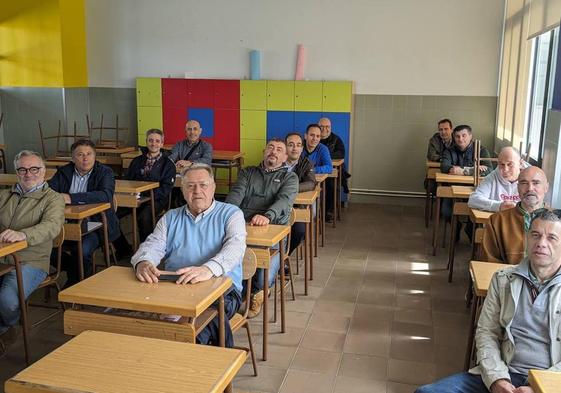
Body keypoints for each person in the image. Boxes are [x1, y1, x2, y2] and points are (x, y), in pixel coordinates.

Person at [416, 208, 561, 393]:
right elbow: (486, 333)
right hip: (503, 371)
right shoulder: (503, 280)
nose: (541, 243)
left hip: (549, 381)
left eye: (552, 238)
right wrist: (496, 379)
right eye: (535, 235)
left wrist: (538, 387)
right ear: (526, 238)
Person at [131, 164, 244, 347]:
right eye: (190, 186)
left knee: (192, 331)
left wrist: (207, 269)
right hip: (176, 289)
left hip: (223, 292)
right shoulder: (170, 217)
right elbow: (153, 245)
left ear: (214, 187)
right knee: (138, 327)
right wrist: (143, 261)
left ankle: (204, 371)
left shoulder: (231, 213)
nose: (197, 191)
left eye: (203, 185)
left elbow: (235, 248)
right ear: (182, 191)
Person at [0, 151, 64, 354]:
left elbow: (51, 227)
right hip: (2, 257)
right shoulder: (4, 195)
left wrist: (23, 234)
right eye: (23, 169)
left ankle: (5, 328)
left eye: (34, 169)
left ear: (44, 172)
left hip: (31, 260)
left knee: (7, 302)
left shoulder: (53, 199)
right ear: (17, 172)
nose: (29, 174)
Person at [226, 138, 298, 318]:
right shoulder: (248, 172)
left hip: (274, 230)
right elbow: (236, 194)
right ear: (264, 152)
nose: (274, 151)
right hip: (243, 226)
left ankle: (259, 292)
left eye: (279, 149)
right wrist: (228, 214)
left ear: (284, 157)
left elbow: (284, 201)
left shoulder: (290, 177)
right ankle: (231, 296)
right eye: (270, 148)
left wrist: (267, 216)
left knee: (261, 271)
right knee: (226, 259)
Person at [48, 139, 119, 285]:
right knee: (45, 248)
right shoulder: (64, 172)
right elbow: (49, 192)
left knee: (82, 250)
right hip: (65, 222)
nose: (85, 158)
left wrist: (71, 198)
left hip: (97, 224)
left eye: (89, 154)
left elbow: (105, 195)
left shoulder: (105, 172)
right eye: (80, 155)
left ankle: (76, 284)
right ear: (73, 158)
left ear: (95, 156)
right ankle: (75, 270)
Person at [113, 129, 176, 257]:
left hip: (156, 200)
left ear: (162, 144)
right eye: (151, 140)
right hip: (134, 198)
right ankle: (123, 249)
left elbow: (166, 188)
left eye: (157, 141)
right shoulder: (136, 161)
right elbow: (128, 180)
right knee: (111, 216)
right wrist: (132, 196)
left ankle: (147, 252)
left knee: (144, 217)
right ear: (146, 142)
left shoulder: (168, 164)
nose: (154, 143)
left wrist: (146, 196)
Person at [482, 166, 548, 264]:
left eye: (536, 183)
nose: (530, 188)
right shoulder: (496, 221)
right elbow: (489, 263)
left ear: (546, 187)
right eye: (524, 183)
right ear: (518, 188)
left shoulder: (557, 221)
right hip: (509, 277)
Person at [169, 120, 213, 207]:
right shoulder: (179, 145)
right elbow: (171, 158)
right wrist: (171, 164)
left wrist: (190, 163)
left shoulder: (206, 146)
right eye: (189, 129)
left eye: (195, 129)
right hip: (181, 176)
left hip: (198, 177)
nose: (192, 132)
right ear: (185, 131)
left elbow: (207, 161)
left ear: (200, 131)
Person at [286, 132, 317, 253]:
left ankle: (284, 256)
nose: (295, 148)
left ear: (302, 148)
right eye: (291, 145)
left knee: (299, 231)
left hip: (296, 206)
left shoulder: (306, 163)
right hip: (275, 204)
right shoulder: (278, 162)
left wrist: (289, 187)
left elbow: (311, 183)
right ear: (285, 147)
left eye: (298, 145)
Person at [468, 147, 522, 212]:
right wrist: (499, 206)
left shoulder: (530, 179)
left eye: (510, 164)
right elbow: (473, 200)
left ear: (520, 163)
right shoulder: (492, 177)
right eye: (502, 164)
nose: (505, 169)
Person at [318, 117, 348, 222]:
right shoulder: (313, 137)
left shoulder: (336, 139)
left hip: (331, 171)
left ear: (330, 127)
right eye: (322, 126)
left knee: (331, 186)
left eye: (327, 127)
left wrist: (324, 154)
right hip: (317, 171)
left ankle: (327, 213)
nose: (324, 129)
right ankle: (313, 213)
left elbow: (341, 154)